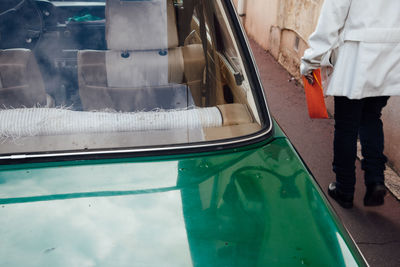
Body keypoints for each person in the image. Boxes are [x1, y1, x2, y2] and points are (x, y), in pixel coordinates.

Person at [300, 0, 400, 208]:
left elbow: (331, 19)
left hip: (356, 56)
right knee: (372, 117)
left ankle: (344, 188)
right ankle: (375, 179)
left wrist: (310, 61)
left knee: (346, 126)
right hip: (388, 58)